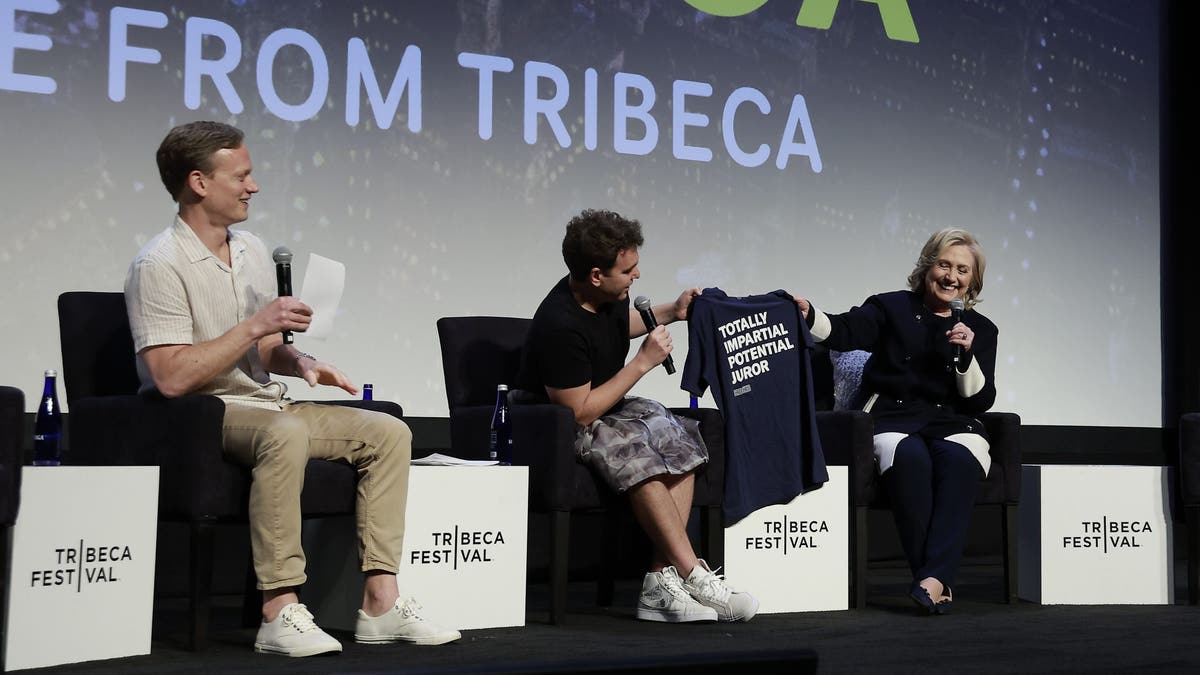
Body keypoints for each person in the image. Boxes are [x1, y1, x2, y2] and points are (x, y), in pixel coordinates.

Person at [125, 121, 460, 656]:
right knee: (284, 432)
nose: (253, 186)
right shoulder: (158, 264)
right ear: (199, 183)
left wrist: (299, 358)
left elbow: (261, 351)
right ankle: (279, 610)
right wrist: (257, 326)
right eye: (242, 175)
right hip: (200, 413)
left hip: (263, 401)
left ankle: (381, 604)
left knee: (388, 432)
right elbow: (169, 377)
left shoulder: (252, 249)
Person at [516, 209, 759, 623]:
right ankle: (693, 573)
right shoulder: (559, 325)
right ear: (596, 275)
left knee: (679, 439)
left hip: (605, 405)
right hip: (555, 425)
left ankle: (658, 581)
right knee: (639, 457)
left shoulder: (608, 294)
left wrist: (672, 311)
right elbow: (577, 411)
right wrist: (642, 363)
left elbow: (614, 326)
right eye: (628, 269)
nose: (637, 275)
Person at [795, 228, 997, 614]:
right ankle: (936, 580)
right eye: (943, 265)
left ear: (973, 281)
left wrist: (966, 356)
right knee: (910, 458)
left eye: (962, 270)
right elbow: (843, 329)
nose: (951, 277)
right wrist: (809, 315)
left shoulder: (981, 330)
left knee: (958, 460)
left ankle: (931, 580)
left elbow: (981, 400)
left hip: (952, 420)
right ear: (926, 268)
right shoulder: (891, 308)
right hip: (893, 414)